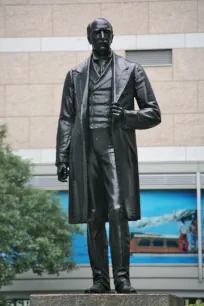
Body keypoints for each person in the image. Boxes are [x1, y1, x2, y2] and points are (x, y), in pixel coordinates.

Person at [55, 18, 161, 294]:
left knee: (117, 212)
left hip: (115, 149)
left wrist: (127, 116)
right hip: (85, 151)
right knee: (93, 215)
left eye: (106, 32)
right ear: (89, 37)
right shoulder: (75, 74)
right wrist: (62, 157)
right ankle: (100, 279)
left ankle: (122, 278)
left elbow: (153, 113)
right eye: (96, 32)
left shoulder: (131, 70)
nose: (102, 36)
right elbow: (66, 118)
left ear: (112, 36)